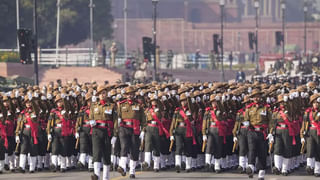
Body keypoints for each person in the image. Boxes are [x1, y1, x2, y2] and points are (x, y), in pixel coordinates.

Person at [116, 86, 144, 179]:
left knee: (134, 149)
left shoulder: (138, 105)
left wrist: (143, 130)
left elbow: (143, 119)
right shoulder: (121, 104)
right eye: (128, 94)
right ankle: (122, 167)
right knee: (124, 146)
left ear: (134, 94)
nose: (129, 96)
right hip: (124, 128)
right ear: (125, 95)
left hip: (135, 129)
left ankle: (132, 171)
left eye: (131, 94)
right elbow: (118, 117)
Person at [244, 89, 272, 180]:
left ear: (260, 97)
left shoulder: (266, 108)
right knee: (251, 149)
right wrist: (246, 124)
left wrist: (271, 132)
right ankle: (251, 167)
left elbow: (271, 121)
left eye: (258, 96)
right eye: (254, 96)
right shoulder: (249, 108)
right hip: (252, 132)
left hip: (262, 132)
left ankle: (261, 173)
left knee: (262, 152)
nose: (256, 98)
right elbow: (246, 119)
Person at [89, 85, 116, 180]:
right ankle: (96, 175)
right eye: (100, 94)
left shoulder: (112, 106)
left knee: (106, 154)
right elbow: (91, 117)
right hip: (96, 131)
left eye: (103, 93)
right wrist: (91, 122)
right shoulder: (94, 106)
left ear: (106, 94)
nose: (102, 95)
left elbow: (115, 121)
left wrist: (115, 135)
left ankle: (106, 177)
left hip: (107, 131)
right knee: (96, 153)